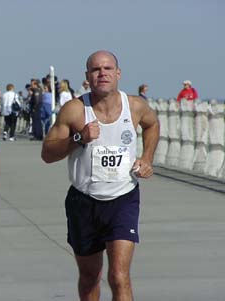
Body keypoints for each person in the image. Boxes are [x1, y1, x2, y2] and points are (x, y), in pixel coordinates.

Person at [41, 50, 159, 301]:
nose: (102, 73)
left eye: (107, 69)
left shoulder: (135, 106)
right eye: (96, 70)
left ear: (118, 74)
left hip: (123, 198)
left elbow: (152, 124)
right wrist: (79, 137)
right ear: (87, 76)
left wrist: (147, 157)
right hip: (84, 201)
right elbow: (48, 153)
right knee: (89, 277)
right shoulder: (74, 110)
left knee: (118, 276)